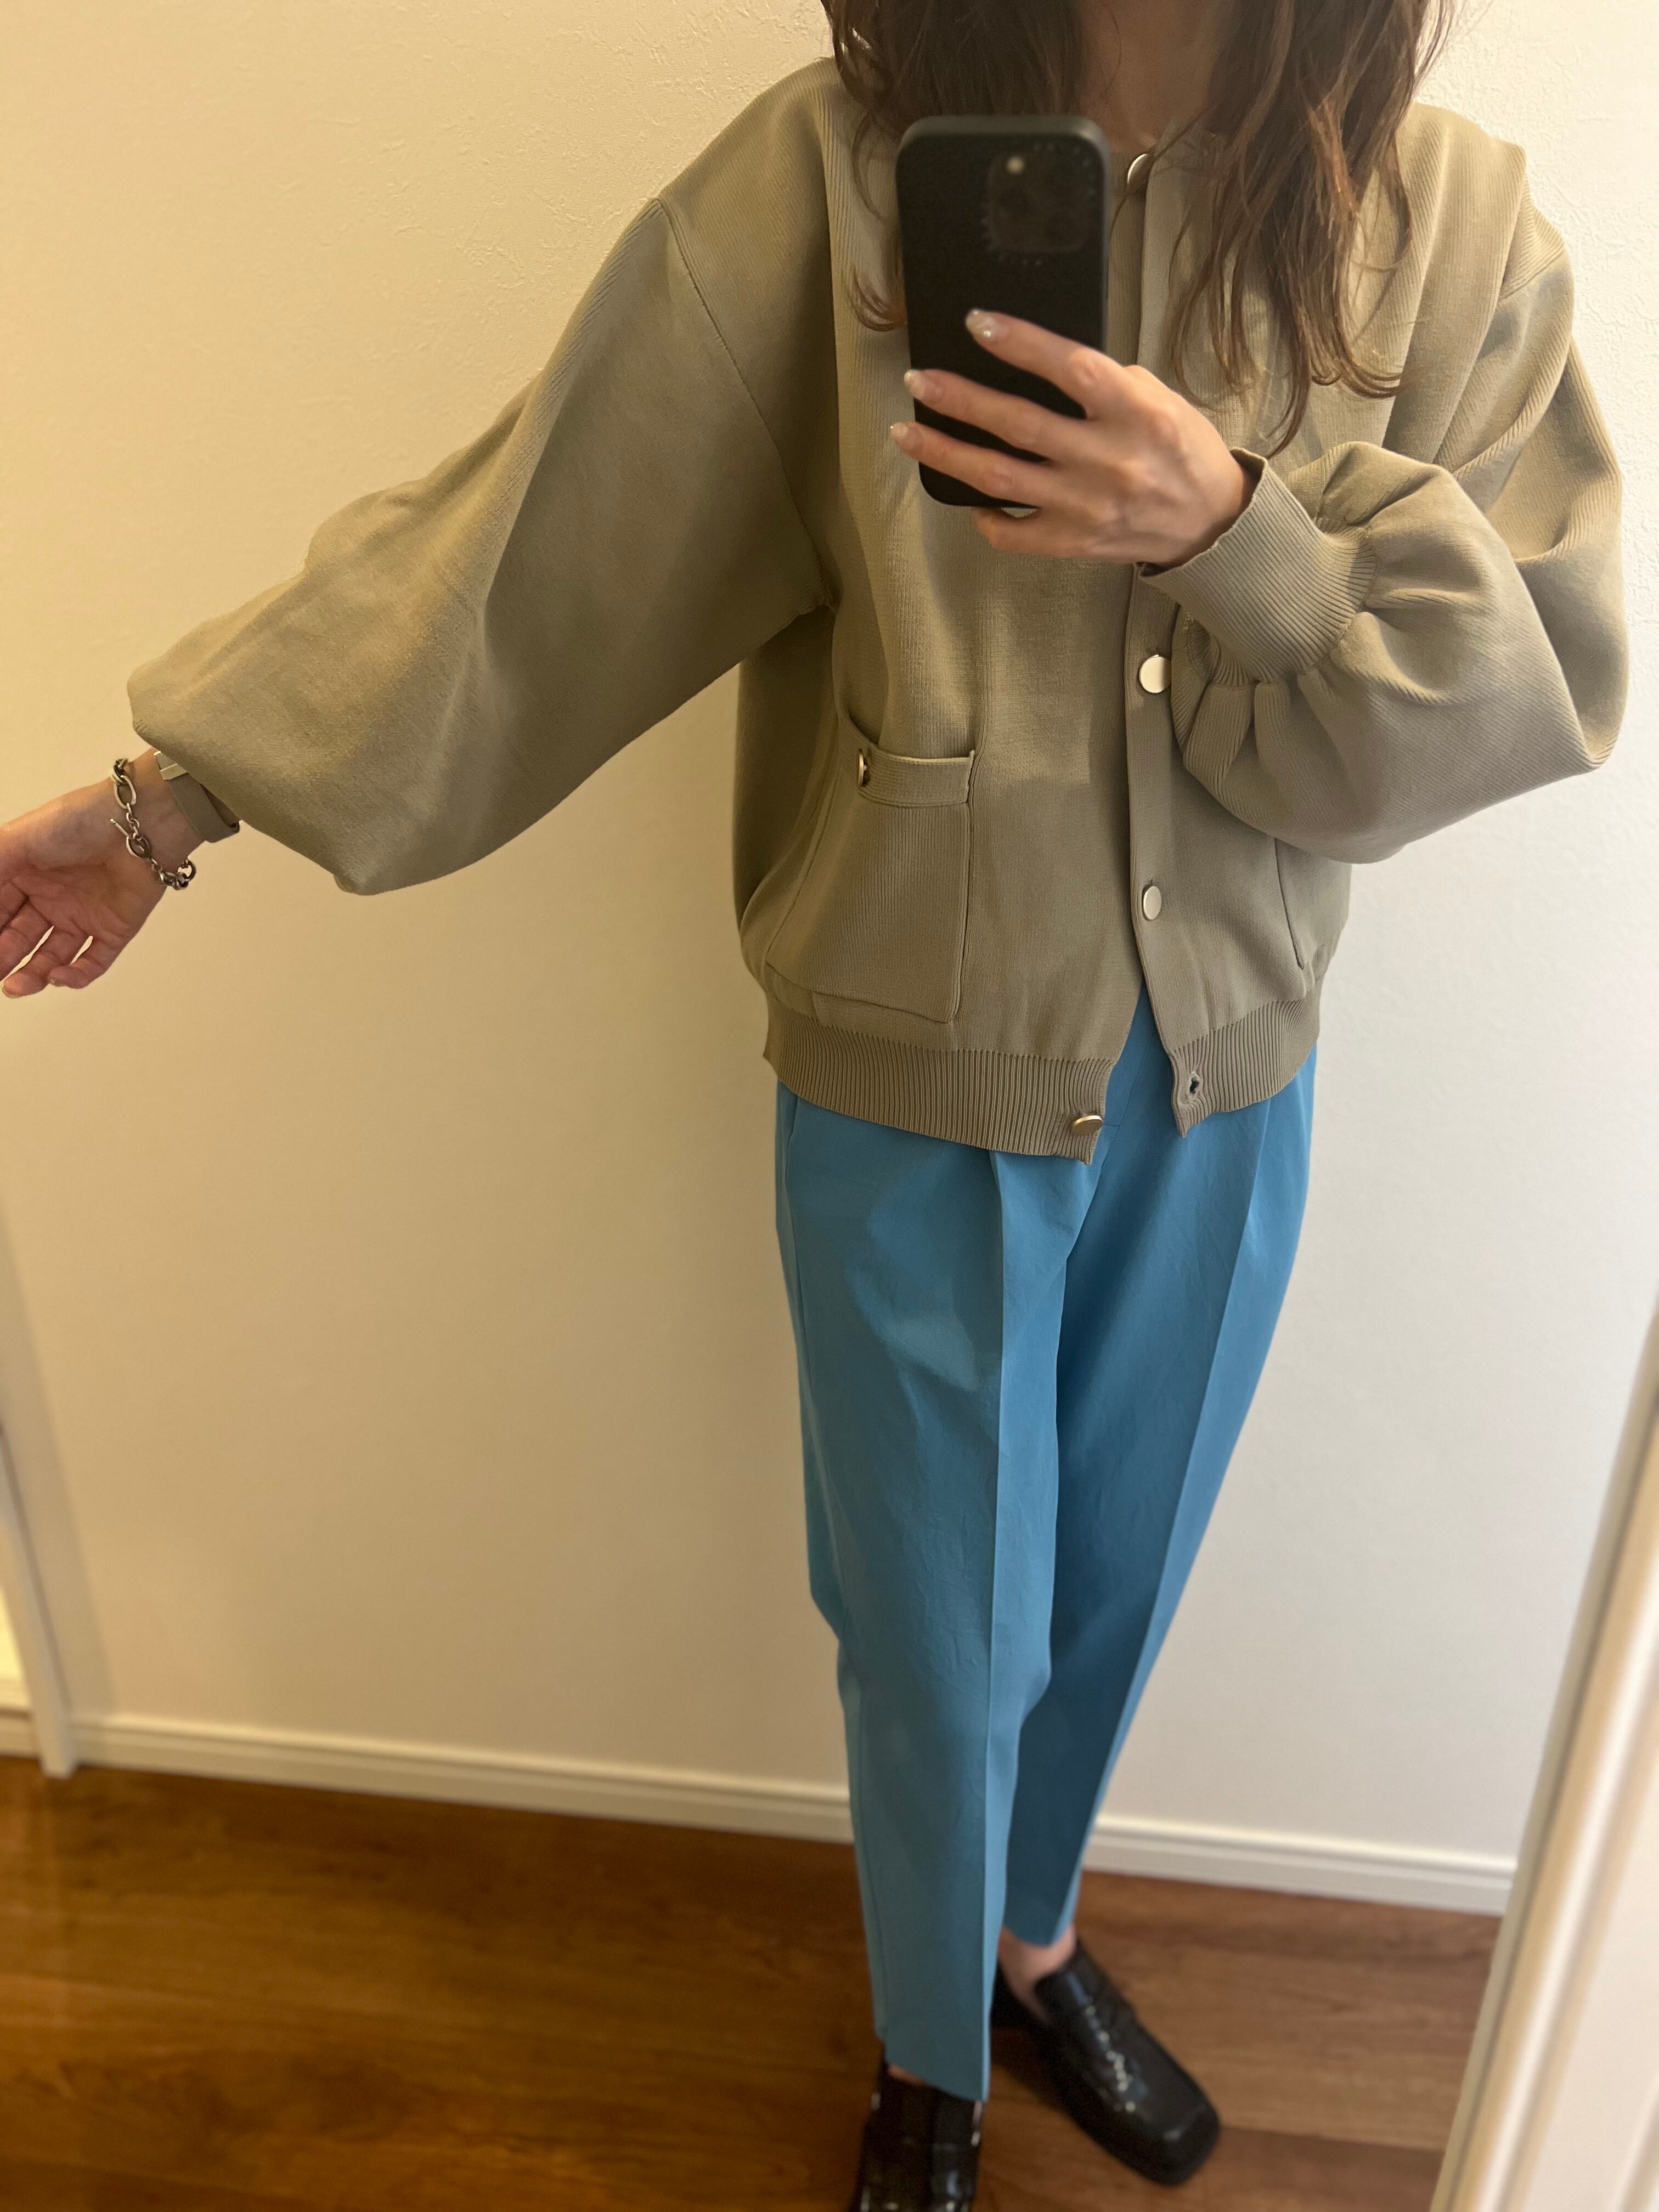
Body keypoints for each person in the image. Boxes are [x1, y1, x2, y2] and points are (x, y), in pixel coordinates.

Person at [0, 0, 1628, 2202]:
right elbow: (533, 542)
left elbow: (1519, 675)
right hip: (908, 1060)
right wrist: (164, 801)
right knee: (936, 1632)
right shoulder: (839, 178)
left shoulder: (1449, 227)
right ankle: (929, 2052)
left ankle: (1033, 1939)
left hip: (1226, 1072)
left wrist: (1233, 525)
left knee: (1116, 1584)